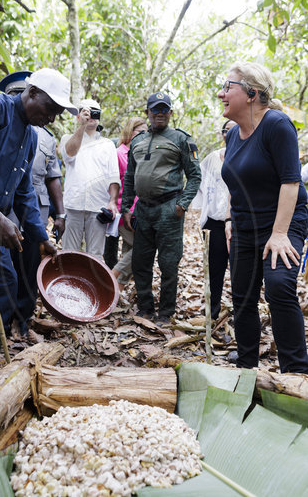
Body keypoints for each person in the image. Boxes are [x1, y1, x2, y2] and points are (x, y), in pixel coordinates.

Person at [0, 67, 78, 381]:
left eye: (58, 113)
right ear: (32, 93)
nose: (51, 117)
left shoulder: (31, 136)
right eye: (50, 108)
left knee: (6, 289)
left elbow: (24, 193)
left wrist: (40, 236)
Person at [219, 61, 308, 373]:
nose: (221, 94)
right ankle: (246, 366)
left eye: (228, 86)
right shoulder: (232, 137)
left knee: (279, 285)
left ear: (252, 93)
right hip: (244, 225)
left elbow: (290, 181)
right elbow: (234, 181)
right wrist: (230, 220)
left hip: (282, 221)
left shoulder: (277, 125)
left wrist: (280, 233)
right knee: (242, 295)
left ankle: (296, 371)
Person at [0, 70, 70, 336]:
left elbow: (39, 183)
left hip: (29, 215)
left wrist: (56, 217)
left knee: (25, 272)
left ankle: (20, 321)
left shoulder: (41, 137)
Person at [121, 92, 201, 324]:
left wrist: (182, 205)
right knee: (140, 262)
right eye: (155, 110)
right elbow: (129, 177)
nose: (159, 114)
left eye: (164, 110)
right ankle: (145, 309)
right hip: (143, 210)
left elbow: (194, 175)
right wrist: (127, 206)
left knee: (168, 263)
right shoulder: (137, 141)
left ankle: (166, 312)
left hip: (169, 209)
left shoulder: (181, 140)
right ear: (147, 113)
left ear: (170, 113)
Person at [60, 99, 121, 258]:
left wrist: (112, 202)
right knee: (69, 252)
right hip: (73, 205)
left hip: (98, 205)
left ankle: (94, 283)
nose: (90, 115)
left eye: (95, 112)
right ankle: (68, 282)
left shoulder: (107, 144)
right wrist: (82, 126)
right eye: (86, 111)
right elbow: (69, 155)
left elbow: (114, 176)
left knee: (96, 255)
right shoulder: (68, 139)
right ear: (78, 116)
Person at [191, 119, 236, 320]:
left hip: (239, 223)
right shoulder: (212, 158)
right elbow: (198, 183)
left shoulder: (251, 156)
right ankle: (212, 315)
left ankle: (241, 317)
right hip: (214, 223)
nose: (229, 134)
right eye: (225, 131)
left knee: (240, 273)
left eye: (233, 130)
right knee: (214, 271)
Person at [112, 117, 148, 291]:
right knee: (141, 248)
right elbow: (114, 183)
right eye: (140, 131)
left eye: (146, 132)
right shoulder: (119, 153)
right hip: (124, 211)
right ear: (129, 132)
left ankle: (115, 291)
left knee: (129, 250)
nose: (144, 135)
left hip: (141, 211)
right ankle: (112, 276)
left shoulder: (143, 152)